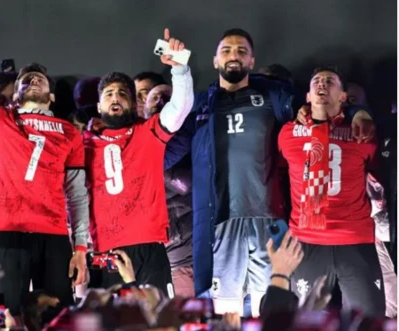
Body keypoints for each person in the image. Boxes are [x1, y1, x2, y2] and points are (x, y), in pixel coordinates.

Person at [164, 28, 375, 316]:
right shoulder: (200, 105)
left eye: (241, 51)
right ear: (215, 61)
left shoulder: (275, 97)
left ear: (252, 61)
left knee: (271, 309)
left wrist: (359, 112)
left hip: (270, 221)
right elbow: (166, 150)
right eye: (226, 50)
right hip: (220, 223)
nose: (233, 56)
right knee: (227, 314)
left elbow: (326, 105)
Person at [0, 2, 88, 324]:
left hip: (52, 231)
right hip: (7, 229)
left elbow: (77, 193)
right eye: (25, 80)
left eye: (38, 78)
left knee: (56, 316)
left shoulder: (69, 132)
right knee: (12, 316)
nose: (32, 81)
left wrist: (80, 246)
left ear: (52, 96)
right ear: (14, 96)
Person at [85, 28, 193, 297]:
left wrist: (179, 69)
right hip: (107, 249)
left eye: (122, 93)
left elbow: (180, 107)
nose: (115, 97)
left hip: (151, 244)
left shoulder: (148, 133)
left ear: (133, 104)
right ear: (99, 106)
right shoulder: (83, 144)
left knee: (158, 321)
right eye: (108, 93)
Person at [278, 67, 385, 315]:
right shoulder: (287, 134)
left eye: (330, 81)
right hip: (306, 241)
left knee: (369, 321)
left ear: (343, 96)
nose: (322, 84)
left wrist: (360, 113)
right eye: (316, 80)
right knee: (308, 322)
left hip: (355, 239)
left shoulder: (363, 132)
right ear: (307, 96)